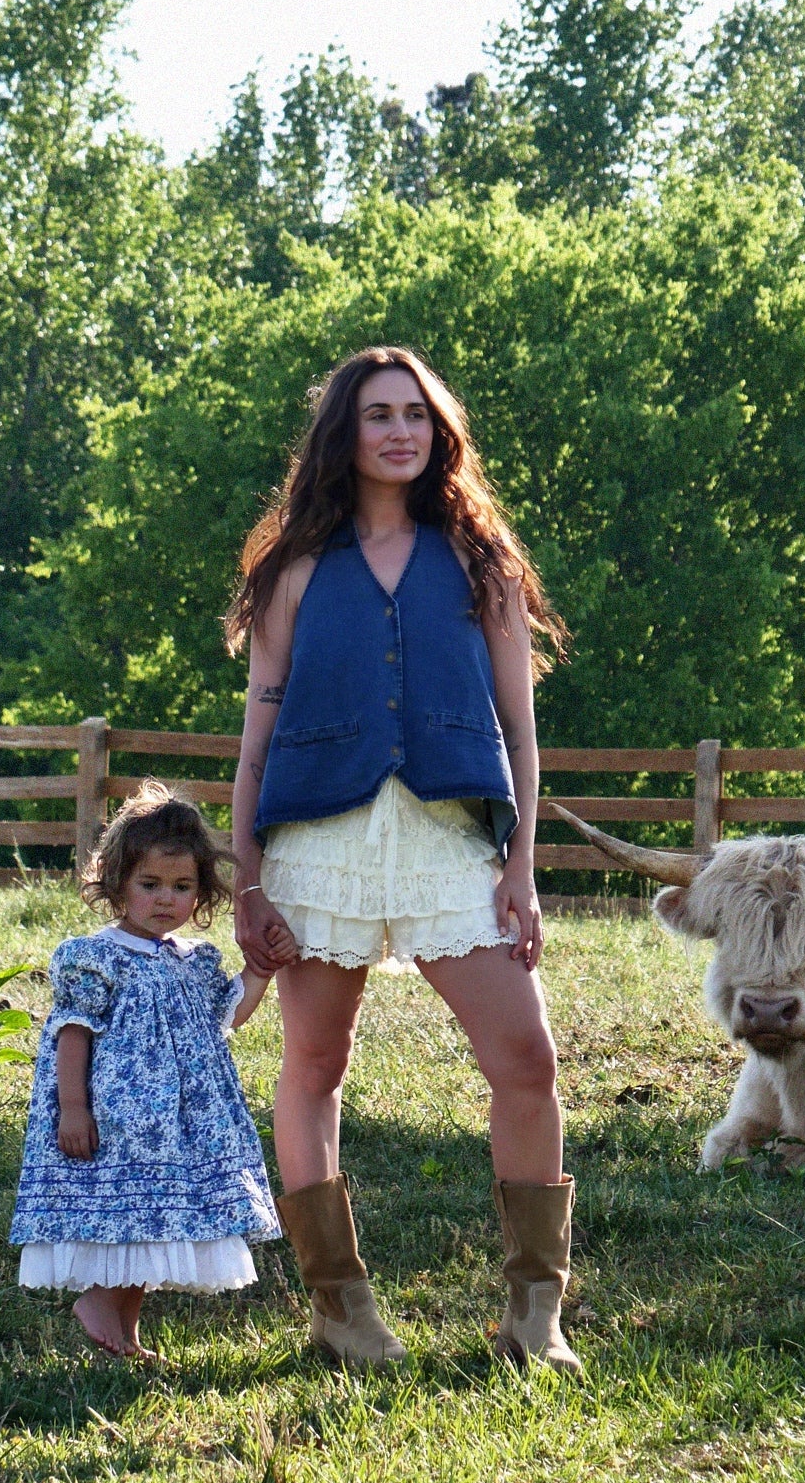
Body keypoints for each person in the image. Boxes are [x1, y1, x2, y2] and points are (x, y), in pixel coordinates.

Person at [227, 345, 581, 1375]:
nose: (398, 431)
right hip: (317, 845)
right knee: (314, 1065)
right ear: (345, 431)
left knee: (525, 1058)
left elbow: (517, 728)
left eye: (415, 416)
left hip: (446, 841)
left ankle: (533, 1316)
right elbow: (256, 740)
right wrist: (246, 879)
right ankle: (341, 1314)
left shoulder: (483, 565)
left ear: (439, 435)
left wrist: (519, 861)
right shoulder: (292, 570)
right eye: (377, 414)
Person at [11, 783, 280, 1359]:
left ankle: (125, 1328)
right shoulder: (97, 956)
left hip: (181, 1121)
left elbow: (227, 1016)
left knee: (155, 1216)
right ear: (116, 883)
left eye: (182, 888)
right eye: (150, 885)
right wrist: (74, 1106)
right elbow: (73, 1031)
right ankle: (100, 1300)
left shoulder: (195, 960)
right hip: (118, 1114)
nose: (166, 900)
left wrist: (260, 971)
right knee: (127, 1213)